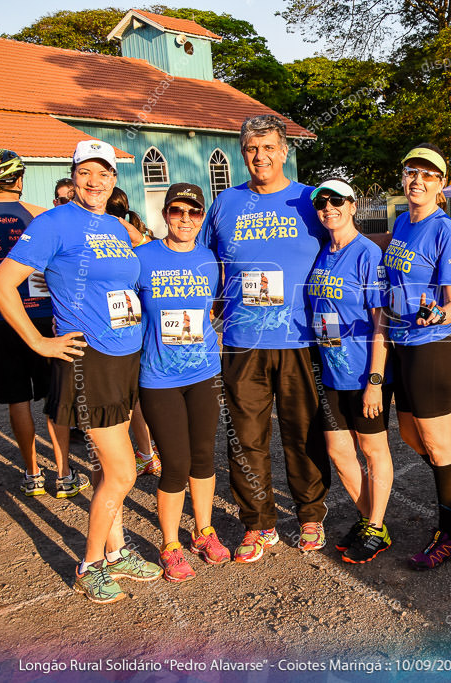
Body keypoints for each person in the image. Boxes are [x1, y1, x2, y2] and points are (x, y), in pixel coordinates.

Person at [0, 139, 162, 603]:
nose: (94, 181)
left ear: (113, 179)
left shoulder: (116, 225)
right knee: (124, 470)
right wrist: (37, 340)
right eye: (85, 172)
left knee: (112, 464)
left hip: (126, 355)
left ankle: (118, 551)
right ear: (74, 173)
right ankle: (89, 566)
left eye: (103, 173)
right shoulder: (52, 223)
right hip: (89, 360)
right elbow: (1, 283)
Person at [201, 114, 330, 563]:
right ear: (242, 153)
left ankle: (310, 515)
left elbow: (345, 248)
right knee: (245, 435)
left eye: (269, 148)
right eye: (252, 149)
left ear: (285, 150)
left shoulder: (312, 200)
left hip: (300, 338)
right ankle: (258, 524)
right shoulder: (224, 205)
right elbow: (201, 265)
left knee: (303, 432)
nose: (260, 157)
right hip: (242, 340)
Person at [383, 143, 451, 570]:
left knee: (439, 445)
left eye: (428, 176)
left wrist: (435, 316)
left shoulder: (445, 230)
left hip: (434, 346)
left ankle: (449, 536)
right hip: (402, 345)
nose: (418, 181)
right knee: (412, 437)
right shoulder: (401, 223)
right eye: (412, 172)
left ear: (440, 185)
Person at [136, 183, 229, 582]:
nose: (185, 220)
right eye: (177, 211)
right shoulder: (141, 258)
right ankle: (170, 544)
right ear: (165, 214)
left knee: (204, 456)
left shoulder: (210, 259)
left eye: (194, 213)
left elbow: (216, 307)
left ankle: (203, 530)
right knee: (175, 463)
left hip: (204, 372)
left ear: (201, 217)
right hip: (159, 377)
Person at [0, 149, 88, 499]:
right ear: (19, 179)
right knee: (53, 396)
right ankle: (63, 473)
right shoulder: (39, 216)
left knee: (17, 399)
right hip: (42, 315)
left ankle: (32, 474)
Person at [305, 178, 394, 564]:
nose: (328, 207)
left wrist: (375, 381)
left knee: (372, 450)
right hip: (330, 372)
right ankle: (367, 521)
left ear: (353, 205)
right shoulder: (322, 252)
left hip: (363, 374)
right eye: (321, 202)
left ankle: (377, 526)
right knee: (339, 452)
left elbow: (381, 322)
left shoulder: (367, 254)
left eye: (337, 200)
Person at [106, 188, 161, 477]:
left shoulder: (119, 236)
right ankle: (146, 452)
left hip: (126, 326)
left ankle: (132, 457)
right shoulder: (138, 235)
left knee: (126, 395)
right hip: (132, 323)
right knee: (134, 394)